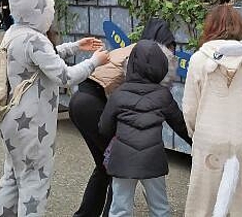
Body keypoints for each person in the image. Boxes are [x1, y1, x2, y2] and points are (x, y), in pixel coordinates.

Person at [0, 0, 108, 217]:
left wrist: (75, 46)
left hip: (11, 121)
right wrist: (95, 61)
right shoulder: (36, 39)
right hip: (34, 126)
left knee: (12, 178)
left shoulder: (15, 32)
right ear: (39, 11)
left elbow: (43, 57)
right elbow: (65, 75)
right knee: (35, 183)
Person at [69, 18, 176, 217]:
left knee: (105, 165)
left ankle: (85, 214)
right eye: (170, 45)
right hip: (94, 103)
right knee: (115, 164)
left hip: (80, 101)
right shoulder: (147, 58)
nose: (171, 50)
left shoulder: (135, 50)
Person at [182, 5, 242, 217]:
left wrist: (194, 133)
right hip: (241, 138)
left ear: (210, 27)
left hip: (209, 137)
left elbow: (190, 107)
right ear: (239, 28)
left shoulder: (199, 60)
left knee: (203, 200)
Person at [98, 40, 191, 217]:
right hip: (152, 159)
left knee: (120, 209)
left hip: (122, 159)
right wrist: (196, 143)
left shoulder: (119, 94)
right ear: (161, 66)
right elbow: (180, 124)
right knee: (160, 209)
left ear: (130, 64)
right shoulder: (163, 95)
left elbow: (104, 127)